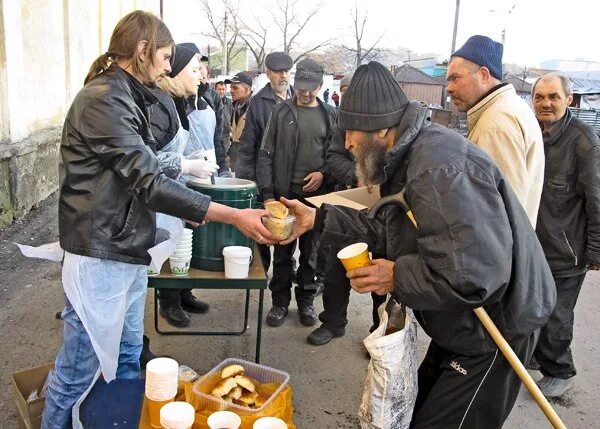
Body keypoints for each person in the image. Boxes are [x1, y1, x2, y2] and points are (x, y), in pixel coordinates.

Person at [279, 61, 555, 428]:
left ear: (380, 128)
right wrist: (318, 218)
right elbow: (390, 228)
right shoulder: (405, 157)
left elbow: (475, 275)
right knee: (417, 415)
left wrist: (395, 276)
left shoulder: (439, 170)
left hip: (495, 329)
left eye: (351, 133)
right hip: (459, 320)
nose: (346, 143)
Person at [42, 12, 276, 428]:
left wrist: (192, 195)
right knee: (78, 370)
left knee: (130, 356)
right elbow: (146, 179)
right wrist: (229, 214)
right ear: (143, 51)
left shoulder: (130, 96)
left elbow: (151, 170)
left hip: (129, 247)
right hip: (100, 253)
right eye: (167, 57)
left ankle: (123, 419)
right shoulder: (103, 100)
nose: (170, 67)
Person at [531, 72, 600, 397]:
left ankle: (561, 371)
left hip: (567, 251)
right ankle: (536, 355)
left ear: (568, 99)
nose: (546, 103)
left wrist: (596, 252)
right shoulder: (534, 134)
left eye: (553, 97)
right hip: (536, 246)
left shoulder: (583, 142)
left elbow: (597, 201)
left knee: (557, 314)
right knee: (533, 305)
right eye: (539, 97)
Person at [257, 59, 337, 327]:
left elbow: (337, 156)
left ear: (320, 85)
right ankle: (279, 302)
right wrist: (268, 195)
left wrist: (324, 173)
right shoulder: (281, 112)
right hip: (284, 195)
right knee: (282, 253)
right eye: (301, 87)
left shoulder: (330, 115)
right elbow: (265, 154)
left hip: (315, 200)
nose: (305, 93)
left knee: (311, 255)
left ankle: (306, 302)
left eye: (311, 88)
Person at [153, 43, 222, 328]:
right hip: (158, 192)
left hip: (179, 182)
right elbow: (145, 159)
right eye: (195, 69)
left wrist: (191, 161)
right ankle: (168, 301)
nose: (202, 75)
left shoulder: (185, 100)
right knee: (165, 247)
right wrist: (185, 164)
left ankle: (183, 293)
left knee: (182, 241)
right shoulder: (159, 105)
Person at [446, 35, 544, 226]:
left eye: (455, 78)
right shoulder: (510, 108)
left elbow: (500, 214)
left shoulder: (496, 125)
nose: (449, 88)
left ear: (483, 75)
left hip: (497, 253)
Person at [236, 51, 294, 271]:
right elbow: (248, 147)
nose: (283, 76)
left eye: (287, 72)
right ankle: (261, 275)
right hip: (265, 179)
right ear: (269, 74)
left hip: (290, 180)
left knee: (287, 238)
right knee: (264, 234)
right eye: (278, 72)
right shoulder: (259, 103)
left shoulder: (297, 98)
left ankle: (285, 276)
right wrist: (248, 183)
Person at [224, 72, 253, 171]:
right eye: (230, 87)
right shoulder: (235, 107)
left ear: (246, 90)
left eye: (235, 88)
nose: (231, 91)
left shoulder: (255, 108)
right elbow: (234, 138)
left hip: (248, 165)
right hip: (237, 163)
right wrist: (229, 154)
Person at [215, 80, 233, 151]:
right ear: (215, 90)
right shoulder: (212, 102)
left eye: (223, 89)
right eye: (219, 89)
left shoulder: (229, 103)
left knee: (226, 157)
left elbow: (233, 117)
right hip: (215, 135)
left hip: (226, 136)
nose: (221, 91)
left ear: (226, 90)